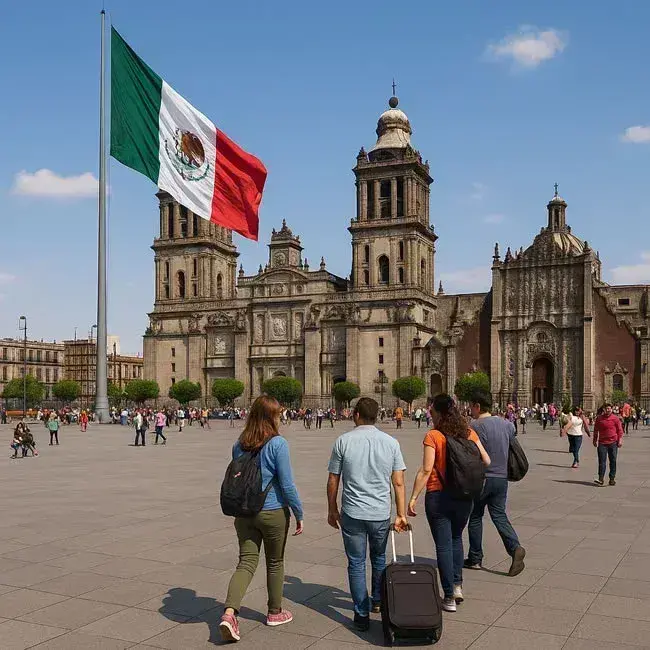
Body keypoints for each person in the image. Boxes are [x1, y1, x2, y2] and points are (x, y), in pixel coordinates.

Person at [219, 396, 303, 643]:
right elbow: (287, 485)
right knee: (275, 562)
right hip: (273, 512)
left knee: (245, 563)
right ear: (271, 416)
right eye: (278, 414)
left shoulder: (239, 444)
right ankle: (275, 612)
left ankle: (229, 613)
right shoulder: (278, 444)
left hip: (244, 513)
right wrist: (299, 513)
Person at [327, 397, 408, 631]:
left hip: (352, 512)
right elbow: (399, 483)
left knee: (356, 563)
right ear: (377, 416)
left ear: (355, 415)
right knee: (379, 559)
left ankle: (361, 614)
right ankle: (378, 602)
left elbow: (333, 479)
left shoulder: (343, 441)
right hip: (380, 513)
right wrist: (401, 514)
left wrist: (332, 508)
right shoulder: (391, 443)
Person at [408, 394, 490, 612]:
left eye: (432, 410)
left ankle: (448, 597)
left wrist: (414, 497)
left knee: (443, 545)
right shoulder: (469, 433)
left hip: (438, 496)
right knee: (456, 539)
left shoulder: (433, 435)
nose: (430, 413)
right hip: (464, 496)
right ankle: (457, 586)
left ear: (438, 412)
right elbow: (487, 460)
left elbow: (426, 469)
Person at [465, 389, 526, 577]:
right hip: (501, 479)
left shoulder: (474, 426)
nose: (469, 410)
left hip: (483, 478)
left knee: (475, 516)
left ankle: (475, 558)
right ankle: (515, 547)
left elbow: (471, 454)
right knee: (499, 515)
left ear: (477, 406)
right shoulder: (507, 425)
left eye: (471, 406)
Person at [593, 403, 624, 486]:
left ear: (612, 409)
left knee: (613, 461)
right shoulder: (599, 419)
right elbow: (596, 430)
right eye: (606, 408)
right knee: (602, 461)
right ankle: (601, 478)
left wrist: (620, 440)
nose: (608, 410)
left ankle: (612, 478)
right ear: (604, 409)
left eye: (609, 408)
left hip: (613, 443)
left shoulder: (615, 418)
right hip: (602, 443)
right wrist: (594, 440)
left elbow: (620, 430)